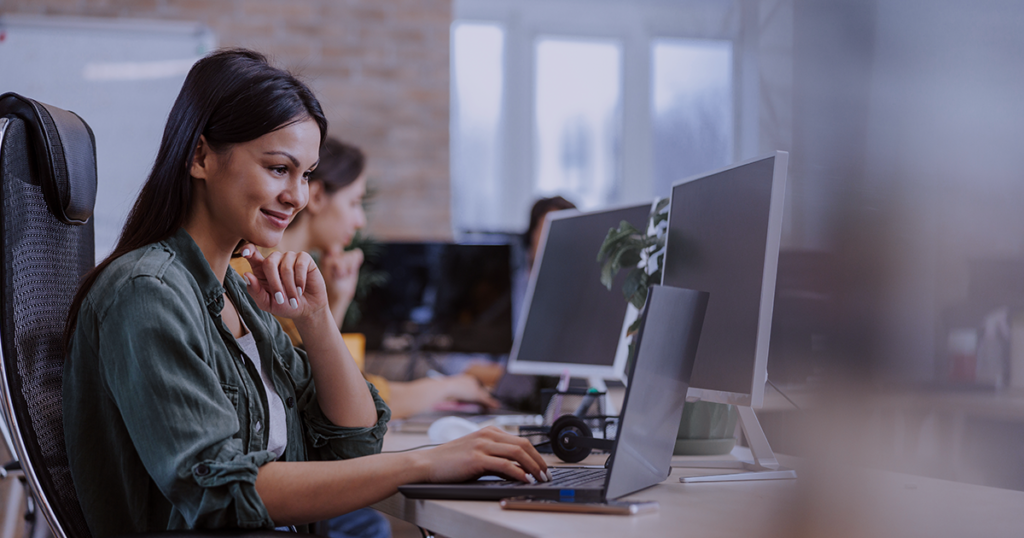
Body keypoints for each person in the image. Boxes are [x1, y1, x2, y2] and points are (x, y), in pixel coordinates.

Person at [62, 48, 548, 538]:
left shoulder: (239, 294)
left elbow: (355, 440)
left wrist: (316, 320)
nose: (298, 196)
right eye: (279, 168)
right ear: (201, 156)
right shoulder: (147, 294)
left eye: (307, 174)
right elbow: (224, 494)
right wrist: (423, 463)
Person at [232, 137, 500, 419]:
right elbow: (347, 396)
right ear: (319, 197)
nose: (360, 221)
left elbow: (321, 372)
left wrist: (336, 300)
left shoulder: (288, 270)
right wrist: (449, 387)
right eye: (354, 202)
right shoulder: (259, 271)